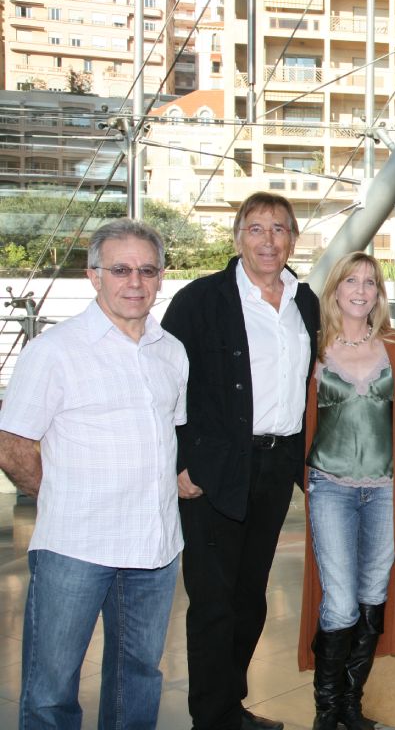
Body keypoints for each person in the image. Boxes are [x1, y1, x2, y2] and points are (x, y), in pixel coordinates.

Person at [0, 220, 188, 729]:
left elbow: (168, 437)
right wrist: (57, 493)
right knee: (51, 690)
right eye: (120, 269)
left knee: (138, 678)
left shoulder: (170, 351)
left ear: (160, 277)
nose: (135, 282)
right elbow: (13, 444)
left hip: (154, 549)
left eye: (146, 270)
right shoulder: (55, 351)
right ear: (93, 275)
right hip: (75, 548)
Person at [162, 192, 319, 730]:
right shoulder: (199, 300)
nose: (268, 241)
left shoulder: (306, 301)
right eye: (256, 229)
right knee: (213, 602)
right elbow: (166, 385)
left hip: (276, 468)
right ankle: (212, 718)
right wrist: (181, 462)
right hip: (215, 469)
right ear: (237, 238)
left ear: (293, 239)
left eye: (279, 229)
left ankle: (231, 708)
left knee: (251, 598)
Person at [295, 252, 395, 730]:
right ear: (334, 289)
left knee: (374, 592)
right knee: (340, 601)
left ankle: (350, 704)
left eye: (370, 282)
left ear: (378, 293)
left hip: (385, 491)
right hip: (330, 488)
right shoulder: (311, 347)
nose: (360, 289)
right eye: (351, 280)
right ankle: (326, 711)